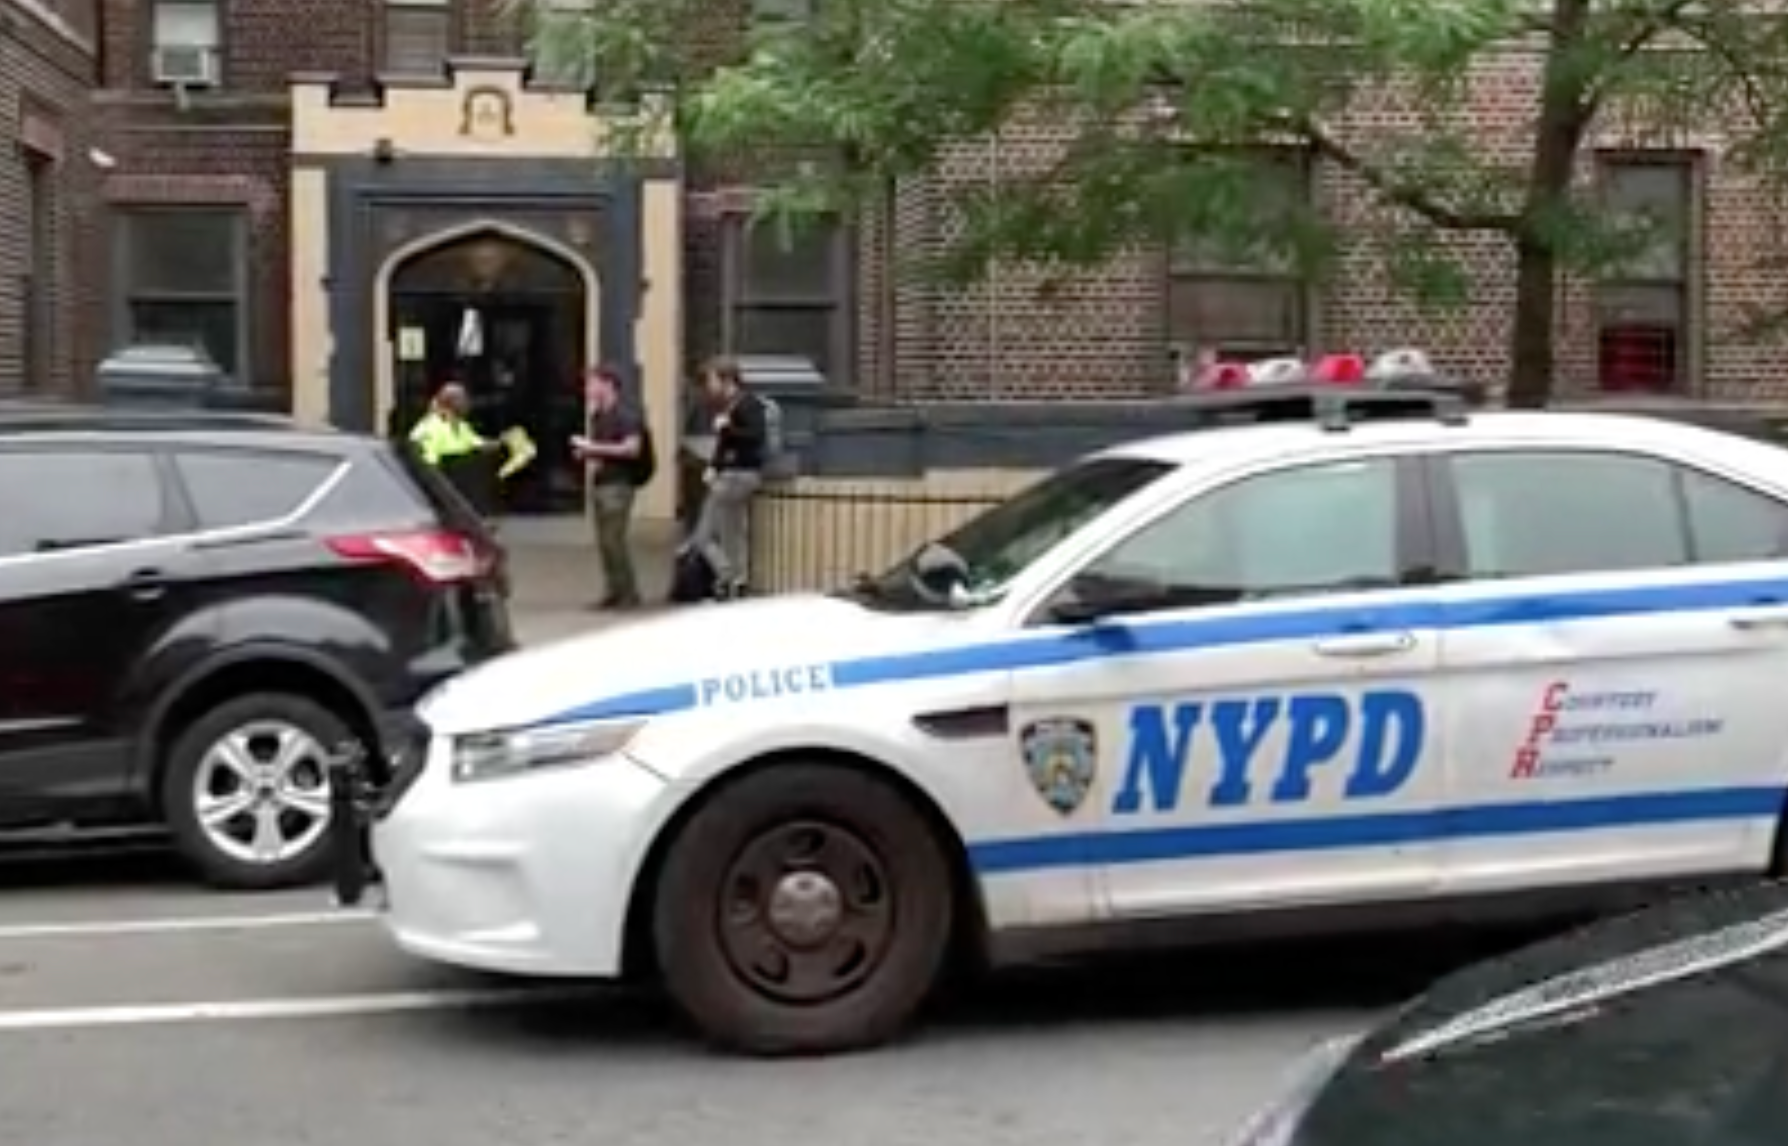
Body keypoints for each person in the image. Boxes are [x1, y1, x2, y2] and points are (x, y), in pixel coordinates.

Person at [689, 357, 767, 600]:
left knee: (703, 536)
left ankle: (726, 574)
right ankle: (739, 581)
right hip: (735, 473)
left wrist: (726, 428)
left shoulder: (748, 403)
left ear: (728, 379)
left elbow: (755, 436)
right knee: (733, 531)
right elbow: (724, 445)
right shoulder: (731, 405)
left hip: (737, 475)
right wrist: (713, 466)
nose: (709, 386)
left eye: (712, 380)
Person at [571, 365, 645, 610]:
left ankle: (628, 592)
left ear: (607, 385)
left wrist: (592, 448)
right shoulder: (598, 416)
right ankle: (613, 590)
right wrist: (588, 453)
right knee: (605, 542)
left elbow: (632, 448)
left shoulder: (626, 415)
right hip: (602, 482)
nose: (587, 389)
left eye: (592, 383)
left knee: (614, 541)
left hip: (618, 484)